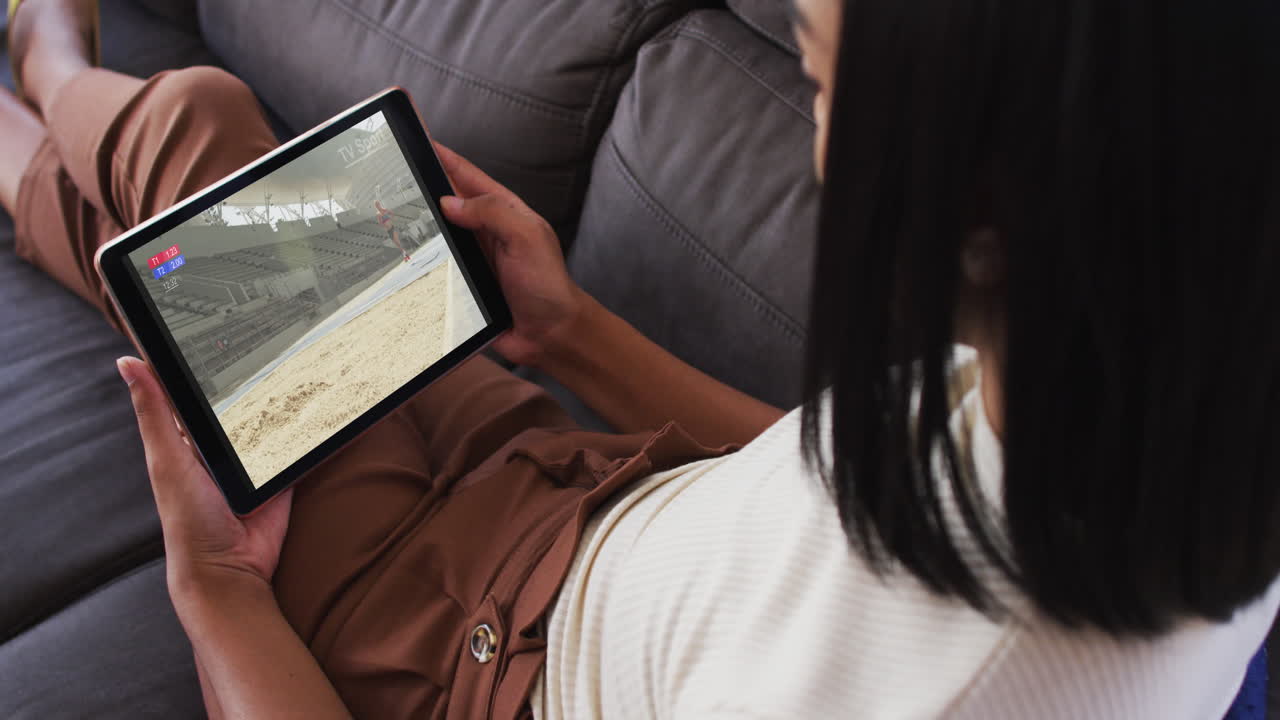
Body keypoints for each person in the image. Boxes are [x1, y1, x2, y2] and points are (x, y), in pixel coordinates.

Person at [4, 0, 1280, 718]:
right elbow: (826, 491)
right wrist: (569, 333)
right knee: (232, 237)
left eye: (819, 84)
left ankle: (40, 69)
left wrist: (218, 589)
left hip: (451, 649)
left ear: (978, 215)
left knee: (201, 140)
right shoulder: (1157, 400)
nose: (814, 136)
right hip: (579, 489)